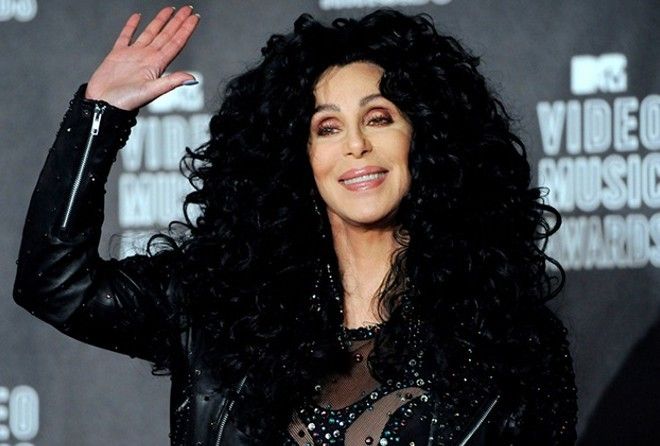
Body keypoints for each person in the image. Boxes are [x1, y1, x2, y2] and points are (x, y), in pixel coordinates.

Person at [13, 5, 578, 445]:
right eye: (327, 127)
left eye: (378, 118)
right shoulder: (218, 308)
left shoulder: (509, 344)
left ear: (425, 137)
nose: (355, 144)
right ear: (298, 157)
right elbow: (54, 283)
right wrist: (99, 115)